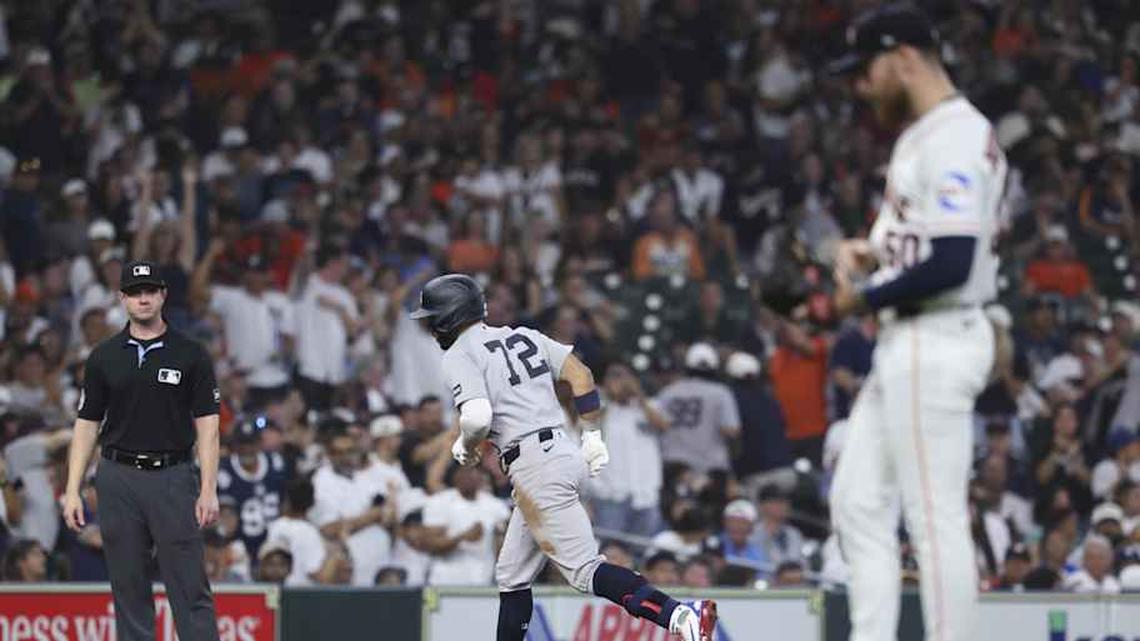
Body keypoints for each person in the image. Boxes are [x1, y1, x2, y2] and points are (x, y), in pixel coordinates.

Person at [409, 273, 717, 641]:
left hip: (534, 464)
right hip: (559, 452)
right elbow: (581, 375)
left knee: (585, 570)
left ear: (448, 318)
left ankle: (680, 615)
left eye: (433, 317)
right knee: (512, 574)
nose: (430, 326)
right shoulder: (523, 334)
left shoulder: (460, 352)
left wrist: (466, 445)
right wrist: (591, 435)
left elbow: (477, 416)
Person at [829, 5, 1006, 641]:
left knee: (934, 518)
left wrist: (864, 296)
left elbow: (953, 261)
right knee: (856, 501)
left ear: (904, 56)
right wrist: (868, 253)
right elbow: (920, 242)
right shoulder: (922, 135)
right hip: (910, 338)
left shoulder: (956, 133)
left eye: (866, 69)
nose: (861, 85)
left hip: (937, 333)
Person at [61, 259, 222, 641]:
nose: (143, 299)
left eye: (150, 291)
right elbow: (86, 424)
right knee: (128, 587)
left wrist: (208, 487)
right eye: (135, 292)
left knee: (189, 586)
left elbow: (209, 425)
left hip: (172, 476)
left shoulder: (191, 354)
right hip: (117, 477)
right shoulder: (104, 356)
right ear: (122, 299)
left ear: (163, 295)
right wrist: (72, 489)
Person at [656, 343, 741, 476]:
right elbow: (731, 431)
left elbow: (659, 426)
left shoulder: (667, 392)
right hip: (710, 466)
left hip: (674, 465)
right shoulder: (721, 393)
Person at [216, 417, 288, 567]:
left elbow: (286, 502)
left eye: (251, 443)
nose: (247, 449)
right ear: (235, 445)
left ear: (260, 443)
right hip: (239, 547)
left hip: (274, 544)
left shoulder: (276, 464)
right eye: (242, 444)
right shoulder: (223, 472)